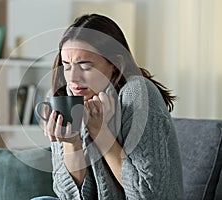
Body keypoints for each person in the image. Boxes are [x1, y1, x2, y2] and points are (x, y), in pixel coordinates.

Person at [33, 13, 184, 200]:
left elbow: (147, 195)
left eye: (85, 66)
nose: (72, 78)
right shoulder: (64, 99)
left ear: (115, 64)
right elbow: (67, 196)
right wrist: (72, 142)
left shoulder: (137, 93)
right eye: (67, 65)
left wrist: (100, 132)